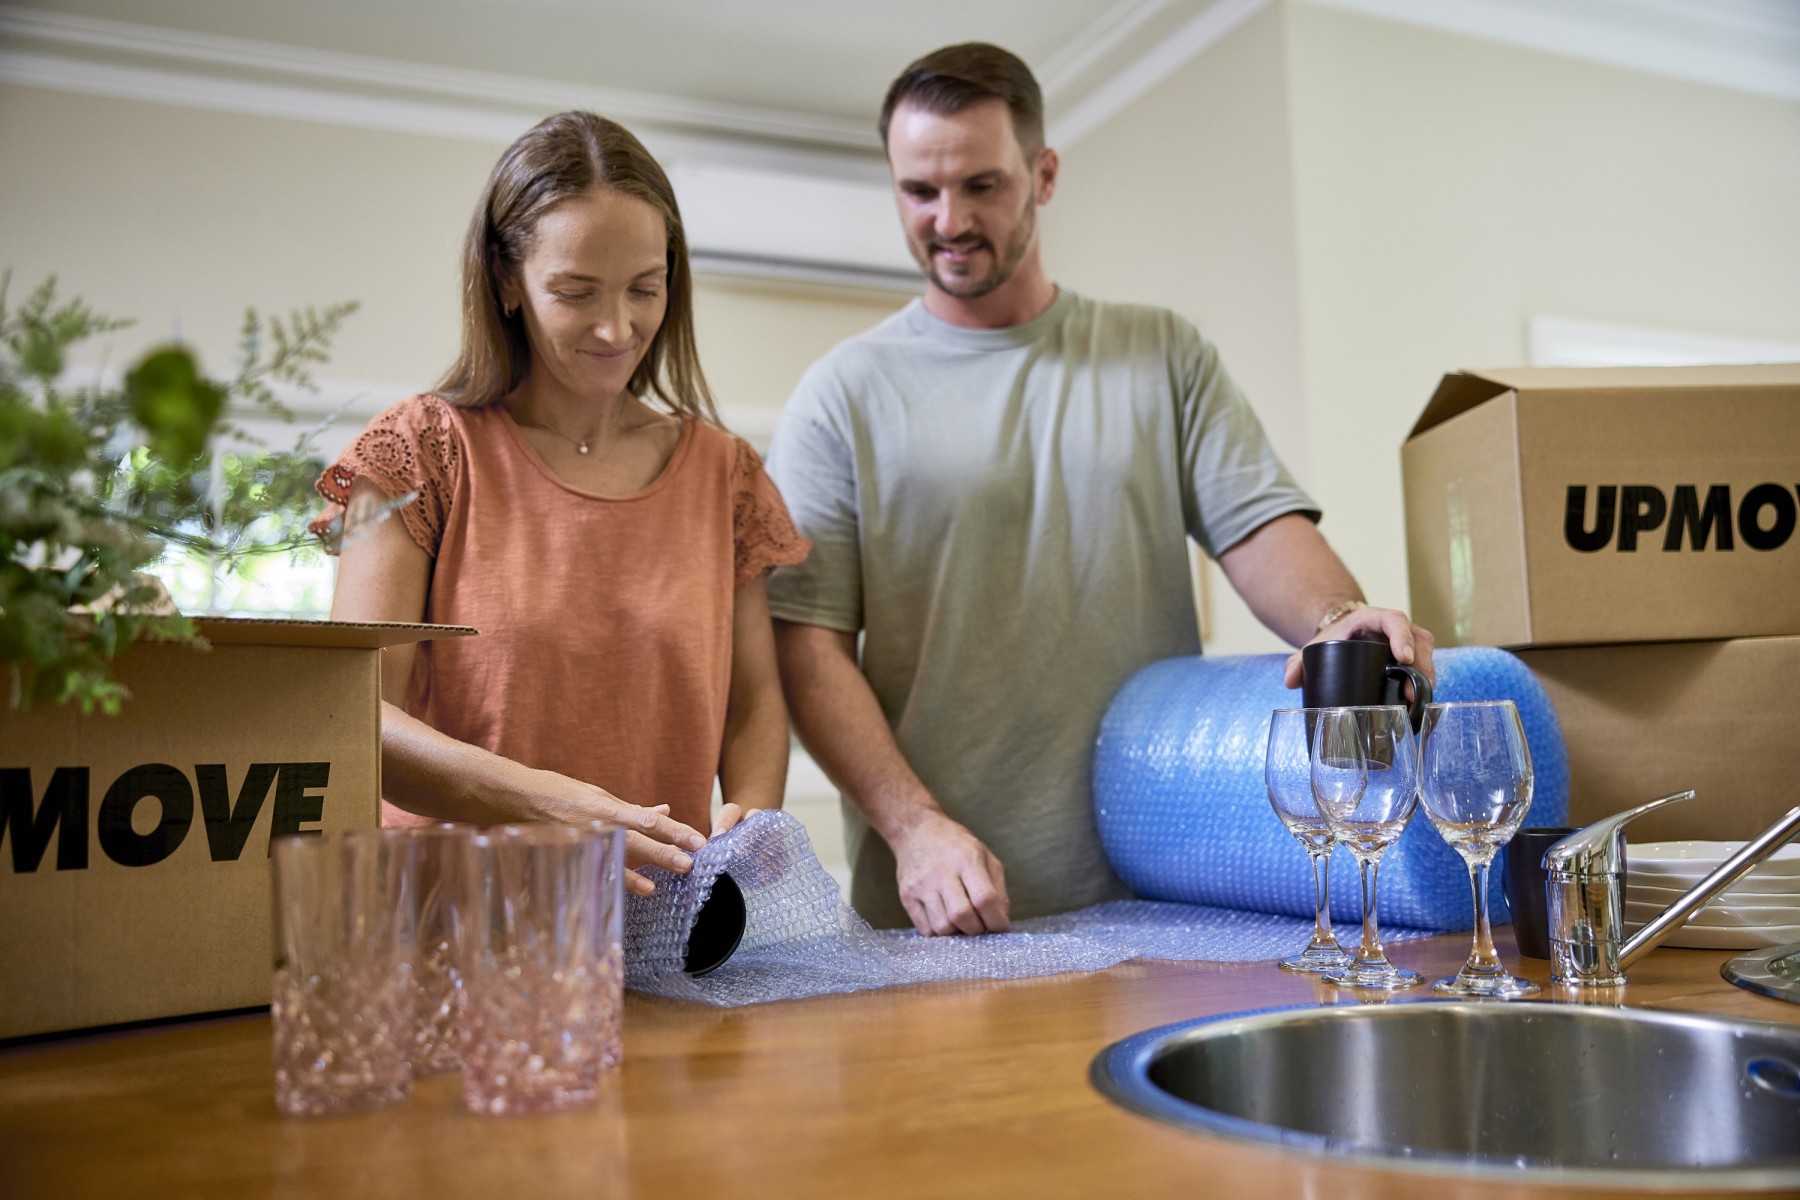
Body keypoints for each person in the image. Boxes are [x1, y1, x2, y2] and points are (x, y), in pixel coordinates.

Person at [765, 44, 1435, 936]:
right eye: (918, 191)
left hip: (1165, 894)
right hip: (947, 911)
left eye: (981, 185)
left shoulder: (1160, 354)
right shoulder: (841, 394)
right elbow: (807, 650)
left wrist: (1337, 621)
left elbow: (1259, 527)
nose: (948, 219)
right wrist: (913, 826)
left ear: (1043, 175)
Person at [315, 111, 810, 894]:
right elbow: (350, 715)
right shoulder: (421, 451)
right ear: (507, 281)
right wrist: (546, 805)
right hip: (451, 930)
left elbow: (754, 705)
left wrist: (746, 833)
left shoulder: (727, 475)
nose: (618, 327)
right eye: (576, 292)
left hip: (657, 935)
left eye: (645, 289)